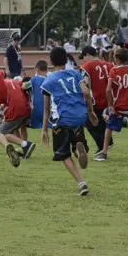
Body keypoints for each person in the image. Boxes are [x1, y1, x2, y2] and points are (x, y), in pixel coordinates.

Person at [41, 47, 98, 196]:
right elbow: (86, 92)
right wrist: (91, 111)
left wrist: (44, 130)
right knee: (76, 142)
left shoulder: (49, 81)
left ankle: (81, 183)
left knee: (63, 154)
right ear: (66, 60)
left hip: (62, 119)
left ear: (51, 61)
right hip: (79, 116)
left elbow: (46, 109)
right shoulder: (75, 73)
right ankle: (80, 152)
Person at [80, 46, 114, 154]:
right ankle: (109, 141)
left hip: (96, 98)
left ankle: (102, 146)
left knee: (89, 122)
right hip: (108, 97)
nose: (84, 60)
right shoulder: (108, 64)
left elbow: (86, 83)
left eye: (84, 57)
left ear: (88, 55)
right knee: (99, 119)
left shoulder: (86, 66)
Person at [0, 77, 36, 158]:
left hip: (15, 110)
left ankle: (25, 144)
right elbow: (24, 86)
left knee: (1, 134)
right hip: (26, 108)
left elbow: (0, 100)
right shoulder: (14, 81)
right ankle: (25, 150)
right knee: (19, 126)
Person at [29, 60, 48, 129]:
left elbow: (24, 86)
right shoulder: (49, 80)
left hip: (36, 109)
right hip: (48, 109)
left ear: (37, 70)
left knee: (36, 129)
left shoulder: (33, 79)